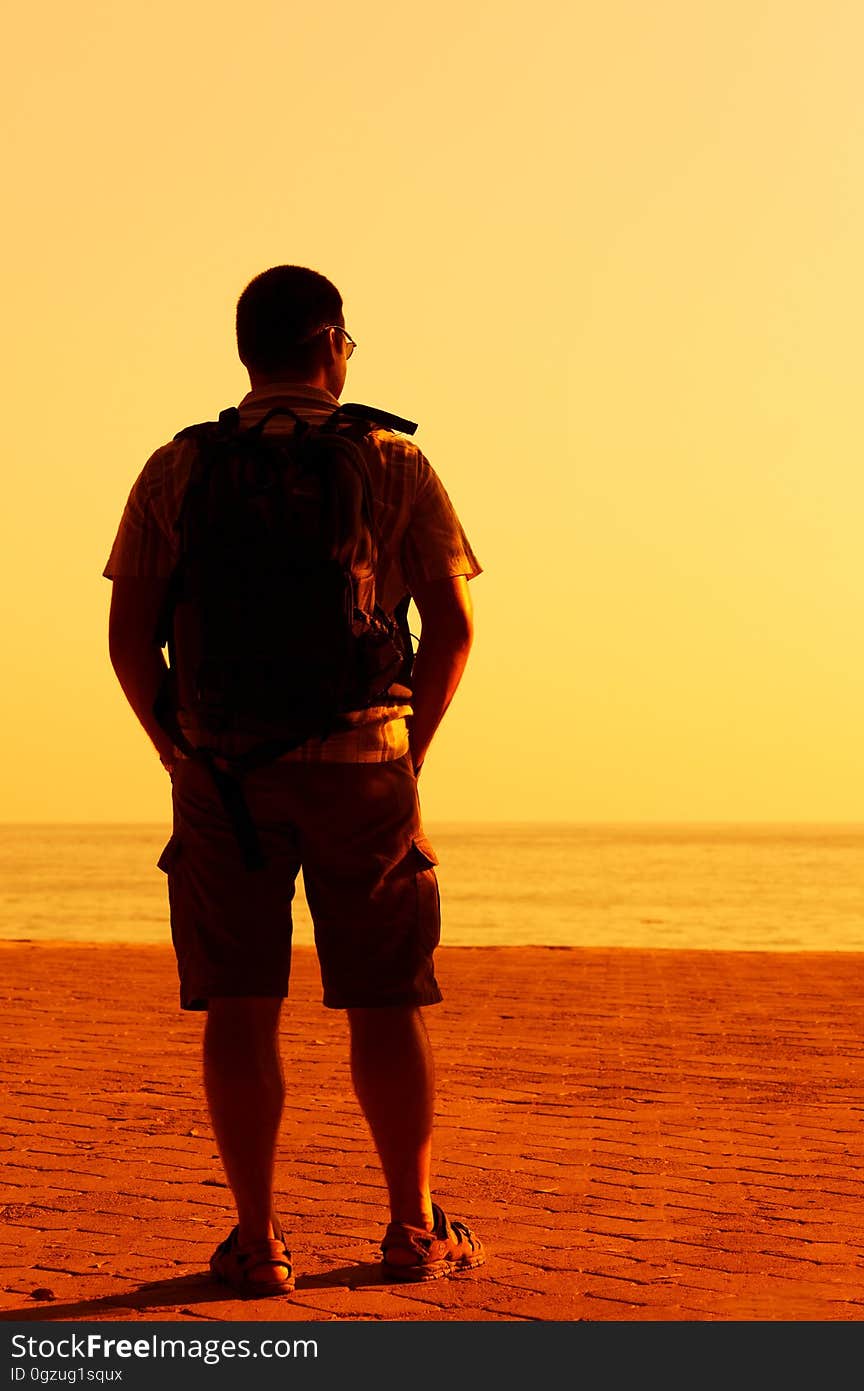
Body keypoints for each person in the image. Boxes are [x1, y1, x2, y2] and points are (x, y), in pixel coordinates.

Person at [104, 265, 485, 1296]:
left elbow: (128, 637)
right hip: (366, 766)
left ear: (246, 352)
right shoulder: (393, 460)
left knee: (241, 1003)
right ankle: (411, 1225)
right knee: (386, 999)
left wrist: (174, 749)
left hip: (222, 774)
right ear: (331, 343)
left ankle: (259, 1237)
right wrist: (415, 746)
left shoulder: (177, 467)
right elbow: (451, 627)